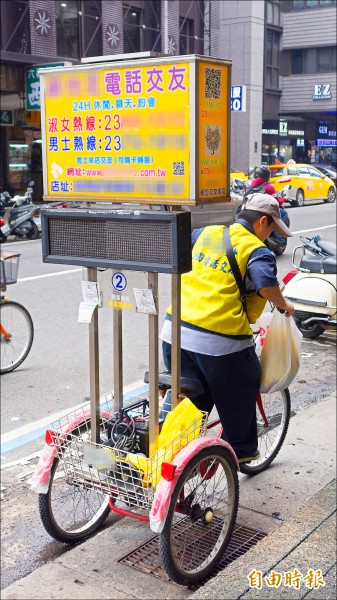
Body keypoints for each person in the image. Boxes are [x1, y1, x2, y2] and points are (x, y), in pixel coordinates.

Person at [160, 194, 295, 463]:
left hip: (173, 333)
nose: (270, 236)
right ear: (263, 221)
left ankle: (183, 452)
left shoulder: (203, 233)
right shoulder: (256, 250)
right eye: (271, 229)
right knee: (246, 379)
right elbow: (267, 285)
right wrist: (284, 305)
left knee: (193, 401)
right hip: (218, 343)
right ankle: (239, 452)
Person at [244, 165, 289, 247]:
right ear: (267, 176)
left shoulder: (250, 185)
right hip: (263, 210)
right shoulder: (269, 187)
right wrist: (284, 198)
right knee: (284, 213)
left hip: (248, 209)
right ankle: (278, 235)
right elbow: (277, 202)